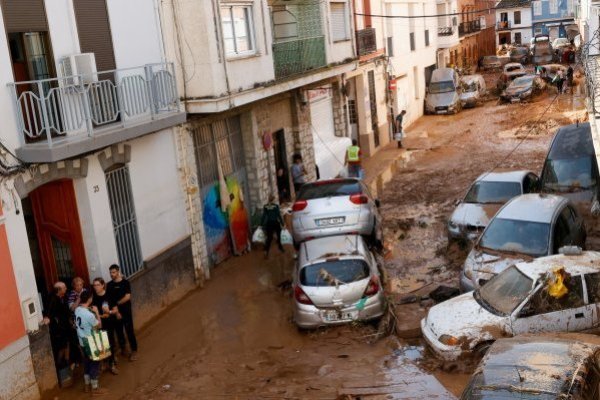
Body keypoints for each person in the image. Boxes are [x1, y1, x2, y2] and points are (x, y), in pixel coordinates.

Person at [74, 290, 107, 396]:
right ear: (89, 299)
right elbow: (99, 326)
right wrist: (96, 312)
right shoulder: (89, 315)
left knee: (87, 362)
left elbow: (82, 309)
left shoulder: (77, 310)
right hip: (91, 341)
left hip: (82, 341)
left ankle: (87, 385)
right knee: (95, 363)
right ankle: (95, 388)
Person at [43, 282, 73, 387]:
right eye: (64, 287)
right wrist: (47, 318)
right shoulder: (52, 299)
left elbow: (66, 310)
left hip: (65, 326)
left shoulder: (63, 297)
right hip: (58, 330)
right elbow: (48, 313)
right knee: (61, 347)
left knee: (67, 344)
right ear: (58, 290)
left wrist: (70, 320)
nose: (66, 288)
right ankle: (60, 365)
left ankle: (67, 363)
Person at [107, 265, 138, 361]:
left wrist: (117, 303)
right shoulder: (110, 285)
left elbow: (127, 297)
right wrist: (116, 312)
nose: (112, 274)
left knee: (129, 331)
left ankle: (134, 350)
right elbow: (110, 300)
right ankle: (124, 348)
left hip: (126, 311)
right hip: (116, 313)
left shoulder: (125, 283)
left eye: (113, 272)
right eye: (110, 273)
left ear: (118, 272)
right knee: (119, 331)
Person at [91, 278, 119, 375]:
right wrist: (101, 316)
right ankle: (104, 363)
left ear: (103, 285)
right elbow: (93, 313)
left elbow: (115, 310)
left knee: (110, 343)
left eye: (97, 285)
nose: (95, 287)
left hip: (109, 323)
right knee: (102, 345)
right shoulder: (93, 298)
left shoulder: (109, 295)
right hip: (99, 324)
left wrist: (109, 312)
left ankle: (111, 364)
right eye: (94, 285)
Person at [261, 194, 285, 259]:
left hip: (269, 224)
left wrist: (261, 224)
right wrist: (283, 224)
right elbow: (278, 215)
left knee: (269, 238)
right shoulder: (276, 206)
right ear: (273, 200)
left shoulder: (265, 206)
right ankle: (280, 247)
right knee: (279, 235)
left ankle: (266, 251)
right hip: (275, 223)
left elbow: (264, 216)